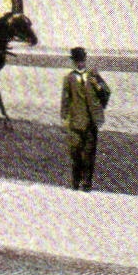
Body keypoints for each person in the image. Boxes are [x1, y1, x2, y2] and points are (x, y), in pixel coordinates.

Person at [60, 46, 110, 192]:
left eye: (81, 60)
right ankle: (75, 183)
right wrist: (64, 118)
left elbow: (106, 92)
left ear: (85, 60)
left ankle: (87, 184)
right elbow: (65, 100)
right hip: (75, 123)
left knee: (89, 155)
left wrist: (99, 108)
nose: (79, 63)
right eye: (76, 61)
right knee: (75, 155)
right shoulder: (68, 78)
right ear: (73, 62)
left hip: (91, 122)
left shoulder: (93, 75)